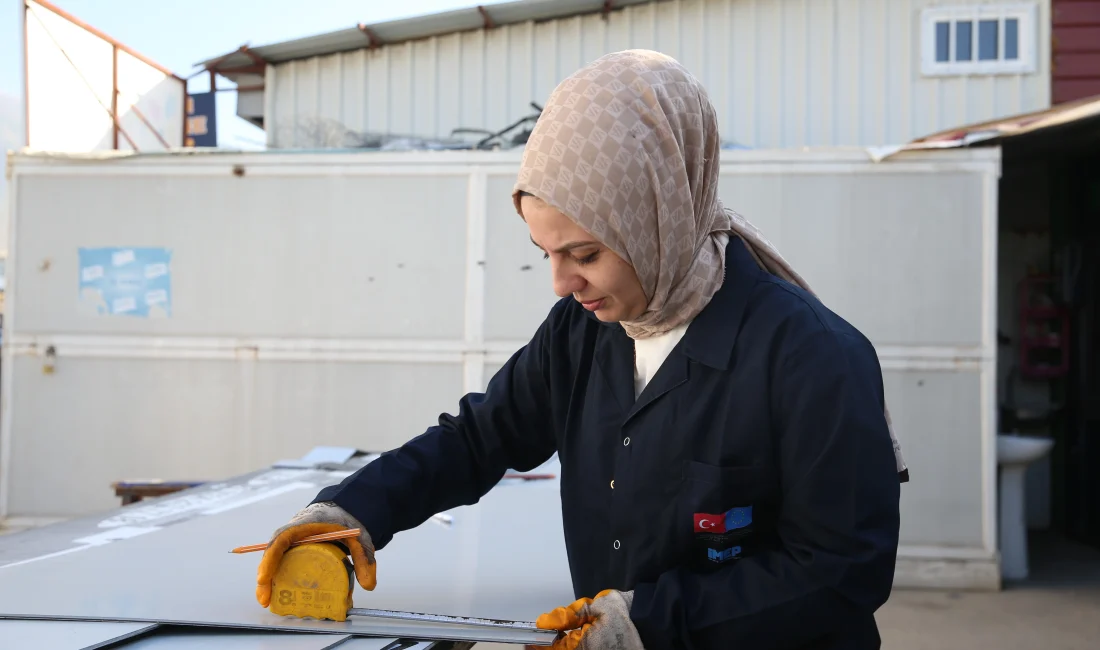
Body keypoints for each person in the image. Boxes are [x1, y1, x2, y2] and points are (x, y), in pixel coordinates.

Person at [255, 49, 907, 650]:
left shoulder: (811, 358)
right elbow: (478, 440)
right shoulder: (583, 332)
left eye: (585, 254)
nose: (562, 284)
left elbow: (840, 575)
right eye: (547, 254)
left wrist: (646, 623)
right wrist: (351, 512)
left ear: (661, 215)